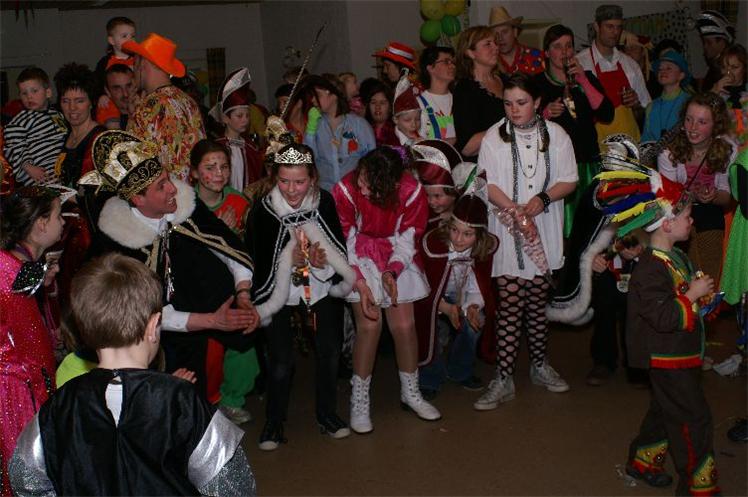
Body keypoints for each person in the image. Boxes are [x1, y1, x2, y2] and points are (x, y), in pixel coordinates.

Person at [8, 253, 257, 496]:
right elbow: (233, 486)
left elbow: (25, 478)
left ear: (84, 327)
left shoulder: (59, 405)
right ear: (153, 325)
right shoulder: (182, 402)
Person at [82, 130, 259, 398]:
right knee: (165, 399)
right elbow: (139, 314)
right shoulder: (116, 248)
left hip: (196, 325)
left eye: (168, 179)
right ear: (138, 199)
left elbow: (226, 247)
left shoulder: (186, 208)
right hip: (146, 344)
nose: (174, 188)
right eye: (161, 186)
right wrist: (213, 320)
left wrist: (243, 293)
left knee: (195, 392)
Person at [594, 151, 720, 496]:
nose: (691, 221)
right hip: (667, 356)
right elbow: (664, 317)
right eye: (687, 217)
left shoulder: (676, 256)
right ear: (666, 224)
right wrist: (691, 295)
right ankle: (698, 487)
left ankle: (643, 462)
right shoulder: (649, 269)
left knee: (666, 410)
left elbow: (681, 299)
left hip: (681, 352)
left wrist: (703, 299)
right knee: (693, 417)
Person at [474, 73, 578, 411]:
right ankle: (503, 378)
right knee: (510, 303)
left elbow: (570, 179)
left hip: (543, 226)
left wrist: (542, 200)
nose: (514, 110)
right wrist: (515, 210)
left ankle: (539, 365)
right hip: (508, 227)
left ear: (537, 103)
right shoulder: (494, 136)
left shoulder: (557, 135)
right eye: (508, 103)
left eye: (521, 103)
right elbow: (486, 183)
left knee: (536, 303)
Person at [246, 142, 356, 450]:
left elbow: (336, 247)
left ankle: (327, 414)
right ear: (274, 177)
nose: (292, 190)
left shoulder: (324, 202)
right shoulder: (264, 210)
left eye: (299, 181)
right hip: (278, 291)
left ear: (313, 178)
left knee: (330, 350)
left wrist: (322, 264)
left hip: (319, 287)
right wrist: (286, 262)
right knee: (281, 360)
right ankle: (274, 420)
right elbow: (256, 258)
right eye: (284, 181)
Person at [332, 146, 440, 433]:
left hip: (394, 252)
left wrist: (392, 271)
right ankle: (359, 399)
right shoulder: (345, 189)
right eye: (361, 179)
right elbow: (344, 240)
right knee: (370, 326)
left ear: (391, 186)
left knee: (404, 325)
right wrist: (359, 280)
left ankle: (410, 392)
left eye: (370, 186)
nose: (362, 189)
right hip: (357, 254)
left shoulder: (411, 191)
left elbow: (408, 236)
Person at [0, 185, 65, 493]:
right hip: (15, 391)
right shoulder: (11, 273)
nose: (63, 223)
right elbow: (29, 350)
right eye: (58, 216)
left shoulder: (21, 267)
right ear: (41, 224)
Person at [415, 190, 498, 399]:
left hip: (459, 297)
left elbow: (477, 286)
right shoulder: (434, 245)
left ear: (479, 236)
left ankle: (459, 369)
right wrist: (444, 307)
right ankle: (429, 377)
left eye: (467, 234)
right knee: (427, 326)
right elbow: (422, 287)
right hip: (431, 299)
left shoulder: (480, 251)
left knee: (476, 321)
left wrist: (472, 306)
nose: (459, 239)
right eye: (454, 230)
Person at [534, 24, 614, 237]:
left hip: (588, 162)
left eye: (569, 46)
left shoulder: (586, 77)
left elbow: (607, 114)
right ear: (547, 52)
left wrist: (584, 81)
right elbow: (524, 125)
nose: (565, 52)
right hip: (556, 169)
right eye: (557, 46)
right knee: (563, 231)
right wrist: (545, 114)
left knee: (594, 230)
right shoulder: (537, 84)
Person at [657, 93, 737, 283]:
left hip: (710, 212)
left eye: (702, 122)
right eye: (689, 119)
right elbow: (667, 201)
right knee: (688, 267)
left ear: (716, 125)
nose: (692, 127)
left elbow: (727, 197)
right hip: (675, 213)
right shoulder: (668, 152)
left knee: (710, 219)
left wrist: (713, 196)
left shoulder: (727, 148)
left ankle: (707, 291)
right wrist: (692, 196)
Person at [52, 63, 107, 307]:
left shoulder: (100, 138)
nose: (72, 108)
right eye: (66, 101)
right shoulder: (68, 137)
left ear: (91, 102)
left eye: (79, 101)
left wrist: (70, 196)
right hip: (67, 231)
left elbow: (104, 193)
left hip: (90, 236)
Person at [124, 33, 206, 181]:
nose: (133, 70)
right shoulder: (189, 102)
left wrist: (131, 116)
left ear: (143, 64)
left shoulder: (147, 107)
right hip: (192, 191)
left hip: (163, 192)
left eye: (135, 63)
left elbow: (131, 162)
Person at [576, 4, 651, 146]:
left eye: (618, 27)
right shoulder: (581, 64)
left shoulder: (630, 65)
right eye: (609, 26)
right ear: (596, 27)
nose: (615, 32)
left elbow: (646, 110)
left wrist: (636, 104)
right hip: (595, 146)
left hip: (630, 146)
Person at [301, 75, 375, 191]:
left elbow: (372, 160)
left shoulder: (359, 125)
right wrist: (310, 132)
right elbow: (308, 159)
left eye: (318, 95)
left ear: (334, 95)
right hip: (326, 192)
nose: (313, 100)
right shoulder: (316, 125)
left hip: (354, 192)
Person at [3, 67, 67, 186]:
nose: (29, 97)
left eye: (34, 91)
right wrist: (28, 166)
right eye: (24, 93)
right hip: (38, 176)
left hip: (62, 173)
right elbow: (13, 145)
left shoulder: (57, 115)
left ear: (48, 93)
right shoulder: (21, 120)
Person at [453, 26, 505, 162]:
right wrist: (507, 126)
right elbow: (467, 147)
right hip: (484, 166)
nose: (496, 48)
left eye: (495, 43)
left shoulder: (507, 81)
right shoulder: (465, 90)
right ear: (471, 53)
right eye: (488, 44)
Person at [210, 68, 264, 191]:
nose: (245, 120)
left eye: (247, 116)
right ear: (225, 118)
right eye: (239, 116)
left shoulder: (251, 149)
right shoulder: (216, 148)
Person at [641, 51, 692, 143]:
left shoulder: (690, 103)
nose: (663, 71)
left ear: (681, 75)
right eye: (660, 69)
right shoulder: (651, 106)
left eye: (669, 68)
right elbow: (646, 141)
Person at [412, 139, 461, 230]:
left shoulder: (467, 215)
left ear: (454, 193)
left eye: (437, 196)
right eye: (427, 195)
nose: (431, 201)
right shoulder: (424, 218)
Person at [488, 6, 544, 77]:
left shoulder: (536, 56)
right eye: (495, 34)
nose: (500, 38)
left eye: (504, 32)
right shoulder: (489, 61)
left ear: (515, 32)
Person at [417, 46, 457, 145]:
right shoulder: (418, 103)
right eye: (446, 62)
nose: (452, 66)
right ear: (430, 68)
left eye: (453, 62)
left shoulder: (460, 99)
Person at [711, 44, 747, 138]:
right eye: (724, 67)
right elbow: (705, 116)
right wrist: (714, 93)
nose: (728, 72)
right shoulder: (717, 93)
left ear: (744, 68)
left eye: (734, 67)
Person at [695, 10, 735, 93]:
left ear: (722, 42)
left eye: (709, 43)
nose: (705, 47)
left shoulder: (728, 69)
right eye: (704, 42)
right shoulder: (713, 68)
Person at [97, 64, 134, 130]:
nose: (125, 94)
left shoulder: (148, 110)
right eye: (117, 88)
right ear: (107, 91)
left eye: (129, 86)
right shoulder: (103, 119)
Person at [362, 80, 398, 147]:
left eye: (382, 103)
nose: (377, 107)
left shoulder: (398, 131)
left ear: (390, 107)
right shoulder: (362, 130)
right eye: (373, 103)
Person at [392, 74, 423, 146]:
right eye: (407, 120)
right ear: (395, 120)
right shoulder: (391, 142)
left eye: (417, 119)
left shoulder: (421, 138)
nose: (414, 125)